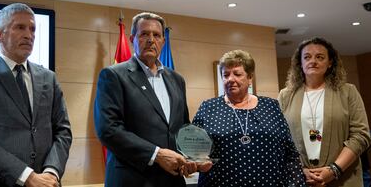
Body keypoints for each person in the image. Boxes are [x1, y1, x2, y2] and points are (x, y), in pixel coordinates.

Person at [0, 3, 72, 187]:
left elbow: (63, 131)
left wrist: (52, 171)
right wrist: (28, 177)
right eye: (20, 27)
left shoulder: (48, 78)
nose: (29, 35)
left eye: (33, 29)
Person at [94, 12, 208, 187]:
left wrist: (193, 157)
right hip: (132, 180)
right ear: (132, 39)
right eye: (144, 34)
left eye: (156, 35)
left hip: (172, 181)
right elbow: (108, 130)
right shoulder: (113, 75)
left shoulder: (177, 80)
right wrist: (157, 155)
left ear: (163, 41)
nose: (150, 40)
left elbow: (182, 128)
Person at [193, 50, 305, 186]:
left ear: (250, 77)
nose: (230, 79)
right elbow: (193, 149)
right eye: (225, 75)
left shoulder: (271, 106)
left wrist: (296, 183)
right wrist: (197, 161)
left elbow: (290, 153)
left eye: (237, 74)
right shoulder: (208, 108)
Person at [278, 37, 371, 186]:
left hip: (343, 179)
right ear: (300, 63)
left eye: (320, 57)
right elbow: (281, 139)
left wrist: (335, 170)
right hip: (301, 180)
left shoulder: (348, 92)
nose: (313, 61)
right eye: (307, 57)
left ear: (330, 63)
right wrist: (299, 170)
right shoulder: (285, 95)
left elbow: (361, 135)